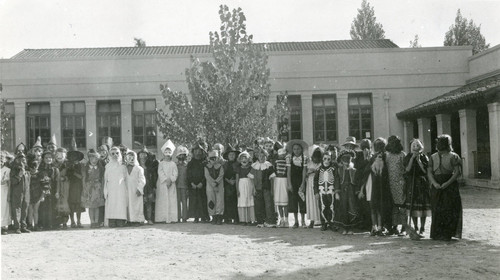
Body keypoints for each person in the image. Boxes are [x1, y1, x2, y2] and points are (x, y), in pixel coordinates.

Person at [428, 134, 463, 241]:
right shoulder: (433, 157)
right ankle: (439, 233)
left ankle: (446, 233)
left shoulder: (453, 157)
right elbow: (429, 172)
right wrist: (435, 183)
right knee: (438, 208)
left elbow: (457, 172)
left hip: (448, 186)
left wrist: (445, 184)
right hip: (439, 185)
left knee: (449, 208)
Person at [361, 137, 392, 236]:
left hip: (381, 186)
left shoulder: (386, 157)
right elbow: (366, 173)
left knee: (380, 208)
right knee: (373, 207)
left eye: (381, 146)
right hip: (372, 185)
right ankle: (374, 227)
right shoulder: (372, 158)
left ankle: (380, 227)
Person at [404, 139, 431, 237]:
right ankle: (415, 226)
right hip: (411, 182)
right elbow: (407, 170)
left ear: (420, 147)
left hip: (421, 182)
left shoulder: (424, 157)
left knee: (422, 205)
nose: (415, 147)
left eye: (417, 145)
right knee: (413, 205)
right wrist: (412, 159)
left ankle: (422, 227)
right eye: (413, 145)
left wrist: (419, 161)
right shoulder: (408, 157)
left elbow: (425, 171)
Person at [334, 149, 361, 234]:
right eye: (345, 161)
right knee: (343, 208)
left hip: (351, 192)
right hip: (343, 192)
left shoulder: (354, 170)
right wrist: (337, 192)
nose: (347, 163)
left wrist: (357, 191)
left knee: (352, 207)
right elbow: (337, 181)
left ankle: (351, 228)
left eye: (348, 160)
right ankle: (345, 228)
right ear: (342, 161)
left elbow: (356, 182)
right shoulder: (339, 170)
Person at [385, 135, 407, 236]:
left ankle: (404, 226)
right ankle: (394, 227)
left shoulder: (402, 155)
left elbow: (406, 168)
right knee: (393, 206)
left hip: (400, 182)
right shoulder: (387, 155)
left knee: (402, 206)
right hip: (390, 183)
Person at [249, 148, 276, 228]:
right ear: (257, 156)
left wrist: (272, 189)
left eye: (263, 156)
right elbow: (252, 179)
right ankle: (260, 221)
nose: (261, 157)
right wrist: (253, 188)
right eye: (260, 156)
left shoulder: (269, 165)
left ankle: (269, 221)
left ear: (266, 156)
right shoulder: (254, 166)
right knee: (258, 205)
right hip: (257, 187)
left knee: (268, 204)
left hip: (266, 187)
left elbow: (272, 178)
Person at [286, 139, 308, 228]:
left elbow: (304, 171)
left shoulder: (304, 158)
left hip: (301, 180)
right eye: (294, 149)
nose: (296, 151)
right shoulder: (289, 158)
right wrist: (289, 184)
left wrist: (303, 183)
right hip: (293, 181)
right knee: (293, 200)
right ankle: (296, 221)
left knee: (302, 200)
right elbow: (288, 172)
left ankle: (303, 221)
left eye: (298, 149)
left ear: (301, 149)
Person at [104, 147, 128, 227]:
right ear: (110, 155)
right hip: (111, 188)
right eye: (113, 154)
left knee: (120, 203)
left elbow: (126, 178)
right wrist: (106, 190)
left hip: (121, 189)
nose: (115, 155)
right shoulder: (107, 166)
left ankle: (121, 220)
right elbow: (105, 179)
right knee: (112, 203)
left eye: (117, 153)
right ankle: (112, 220)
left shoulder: (123, 166)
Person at [81, 149, 105, 228]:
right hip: (89, 188)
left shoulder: (100, 168)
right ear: (89, 159)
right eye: (92, 158)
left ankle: (96, 221)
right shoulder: (86, 167)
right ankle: (92, 221)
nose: (93, 160)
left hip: (97, 187)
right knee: (91, 206)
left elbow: (102, 178)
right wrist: (84, 188)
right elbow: (84, 178)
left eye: (95, 158)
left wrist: (102, 188)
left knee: (97, 205)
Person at [155, 140, 178, 223]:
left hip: (171, 184)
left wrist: (171, 180)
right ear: (163, 153)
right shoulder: (161, 163)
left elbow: (175, 173)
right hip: (162, 184)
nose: (167, 154)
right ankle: (162, 218)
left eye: (169, 152)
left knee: (171, 200)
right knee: (162, 200)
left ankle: (172, 218)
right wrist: (165, 180)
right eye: (166, 152)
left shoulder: (173, 164)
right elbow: (160, 172)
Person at [314, 150, 336, 231]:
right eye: (325, 159)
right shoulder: (318, 169)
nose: (326, 161)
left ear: (331, 159)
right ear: (322, 159)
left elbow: (336, 179)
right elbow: (315, 181)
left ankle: (332, 223)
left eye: (328, 159)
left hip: (331, 190)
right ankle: (324, 223)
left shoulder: (333, 169)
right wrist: (316, 192)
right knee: (322, 207)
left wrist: (336, 191)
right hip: (321, 191)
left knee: (332, 207)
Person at [187, 140, 209, 223]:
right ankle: (196, 217)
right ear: (193, 152)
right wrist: (192, 183)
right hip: (193, 185)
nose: (197, 152)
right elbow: (188, 175)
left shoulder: (205, 162)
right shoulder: (190, 163)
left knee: (203, 200)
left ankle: (204, 216)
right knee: (194, 200)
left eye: (199, 151)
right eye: (196, 151)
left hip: (202, 185)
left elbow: (206, 174)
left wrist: (202, 183)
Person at [39, 151, 61, 230]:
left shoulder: (55, 170)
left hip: (53, 191)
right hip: (43, 191)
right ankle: (44, 225)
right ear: (43, 159)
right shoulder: (40, 169)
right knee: (43, 207)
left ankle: (53, 224)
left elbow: (58, 181)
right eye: (46, 158)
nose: (48, 159)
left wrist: (57, 192)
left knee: (53, 207)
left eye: (50, 158)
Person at [9, 153, 30, 234]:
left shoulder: (27, 171)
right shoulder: (14, 170)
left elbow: (29, 183)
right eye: (20, 159)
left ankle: (23, 226)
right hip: (17, 193)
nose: (22, 161)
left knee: (25, 209)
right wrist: (19, 175)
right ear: (16, 160)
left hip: (26, 193)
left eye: (23, 159)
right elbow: (13, 182)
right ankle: (17, 227)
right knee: (17, 208)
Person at [354, 139, 372, 231]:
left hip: (369, 181)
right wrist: (365, 159)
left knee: (368, 203)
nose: (365, 149)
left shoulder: (372, 156)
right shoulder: (358, 156)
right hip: (360, 181)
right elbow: (358, 167)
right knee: (361, 203)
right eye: (364, 147)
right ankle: (362, 223)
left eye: (367, 147)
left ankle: (369, 224)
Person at [67, 139, 85, 228]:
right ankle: (72, 221)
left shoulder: (81, 166)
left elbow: (82, 176)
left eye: (75, 156)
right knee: (71, 205)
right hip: (69, 187)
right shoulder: (67, 165)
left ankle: (78, 221)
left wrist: (74, 172)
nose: (73, 158)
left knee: (78, 205)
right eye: (71, 156)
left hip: (78, 187)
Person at [125, 150, 146, 226]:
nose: (131, 159)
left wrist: (139, 189)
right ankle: (130, 220)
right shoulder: (124, 168)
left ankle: (138, 220)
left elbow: (142, 180)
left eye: (132, 157)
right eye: (129, 157)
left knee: (137, 205)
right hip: (127, 190)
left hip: (136, 190)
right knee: (128, 205)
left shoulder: (139, 168)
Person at [138, 146, 158, 225]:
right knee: (140, 203)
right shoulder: (136, 164)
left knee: (149, 203)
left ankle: (149, 218)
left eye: (144, 154)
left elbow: (154, 176)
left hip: (149, 186)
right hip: (140, 186)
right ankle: (140, 219)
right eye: (141, 154)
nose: (142, 156)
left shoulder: (150, 165)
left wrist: (154, 186)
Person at [205, 150, 225, 225]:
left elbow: (221, 175)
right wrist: (213, 184)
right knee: (211, 200)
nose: (213, 160)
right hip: (210, 186)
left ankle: (219, 216)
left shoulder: (220, 167)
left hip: (219, 185)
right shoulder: (207, 167)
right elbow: (207, 176)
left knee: (219, 200)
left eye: (215, 158)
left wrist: (216, 183)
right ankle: (213, 216)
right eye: (211, 158)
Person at [236, 151, 255, 225]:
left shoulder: (251, 168)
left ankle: (250, 219)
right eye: (242, 159)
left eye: (245, 158)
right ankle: (243, 220)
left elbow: (252, 178)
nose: (244, 160)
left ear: (249, 159)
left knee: (249, 200)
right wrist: (237, 189)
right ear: (240, 160)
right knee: (242, 201)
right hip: (241, 185)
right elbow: (237, 179)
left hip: (249, 184)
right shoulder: (238, 168)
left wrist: (253, 188)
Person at [305, 145, 322, 228]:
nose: (316, 159)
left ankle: (320, 219)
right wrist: (308, 173)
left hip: (318, 183)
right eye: (314, 157)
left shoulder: (321, 164)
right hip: (310, 183)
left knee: (317, 200)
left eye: (318, 157)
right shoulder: (309, 163)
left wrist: (315, 171)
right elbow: (305, 173)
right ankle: (312, 220)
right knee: (311, 201)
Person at [223, 144, 240, 224]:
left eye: (233, 154)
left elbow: (239, 173)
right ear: (227, 156)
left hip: (236, 184)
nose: (232, 156)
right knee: (227, 200)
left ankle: (236, 218)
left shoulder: (238, 164)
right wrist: (228, 181)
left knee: (235, 201)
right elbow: (223, 174)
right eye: (230, 154)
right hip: (227, 184)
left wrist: (235, 181)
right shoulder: (225, 164)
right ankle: (228, 217)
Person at [54, 147, 70, 229]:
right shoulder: (53, 165)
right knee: (56, 203)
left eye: (61, 156)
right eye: (57, 155)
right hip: (56, 186)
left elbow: (71, 175)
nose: (59, 157)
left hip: (65, 186)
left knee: (64, 203)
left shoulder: (68, 165)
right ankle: (58, 222)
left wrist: (65, 178)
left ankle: (65, 222)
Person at [273, 147, 289, 227]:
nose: (282, 156)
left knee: (285, 202)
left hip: (284, 181)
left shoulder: (287, 161)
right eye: (280, 155)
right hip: (277, 181)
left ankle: (286, 220)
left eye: (283, 155)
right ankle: (281, 220)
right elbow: (274, 171)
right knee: (278, 202)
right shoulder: (275, 162)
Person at [175, 145, 189, 223]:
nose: (181, 156)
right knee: (177, 201)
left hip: (184, 185)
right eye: (180, 155)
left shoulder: (187, 165)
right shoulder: (175, 165)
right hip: (177, 185)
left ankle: (184, 217)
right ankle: (178, 216)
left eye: (183, 155)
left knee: (184, 202)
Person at [1, 151, 11, 235]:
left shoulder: (8, 170)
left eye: (2, 159)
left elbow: (9, 183)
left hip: (4, 191)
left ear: (5, 160)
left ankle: (4, 227)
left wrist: (9, 194)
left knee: (4, 208)